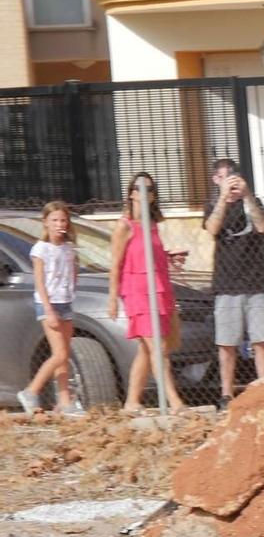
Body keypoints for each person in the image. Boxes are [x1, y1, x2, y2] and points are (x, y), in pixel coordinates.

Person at [107, 172, 188, 413]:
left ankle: (131, 402)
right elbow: (116, 263)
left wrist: (169, 257)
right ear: (131, 193)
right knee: (158, 348)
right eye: (140, 188)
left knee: (147, 349)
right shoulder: (124, 226)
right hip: (137, 291)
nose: (145, 193)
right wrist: (113, 298)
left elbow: (148, 256)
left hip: (159, 287)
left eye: (150, 189)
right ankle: (175, 402)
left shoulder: (152, 225)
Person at [204, 158, 264, 404]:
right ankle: (226, 393)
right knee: (226, 343)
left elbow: (263, 227)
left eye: (232, 178)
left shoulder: (251, 203)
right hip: (226, 283)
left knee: (261, 340)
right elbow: (212, 229)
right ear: (216, 180)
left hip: (255, 282)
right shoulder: (213, 204)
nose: (229, 183)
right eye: (224, 178)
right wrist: (224, 199)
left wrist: (247, 197)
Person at [19, 200, 83, 415]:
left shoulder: (68, 248)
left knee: (63, 354)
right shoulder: (41, 249)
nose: (59, 224)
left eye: (63, 220)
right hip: (49, 304)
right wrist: (48, 310)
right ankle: (31, 390)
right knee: (60, 354)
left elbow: (72, 273)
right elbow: (40, 281)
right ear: (45, 222)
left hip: (65, 301)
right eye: (54, 220)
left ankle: (65, 400)